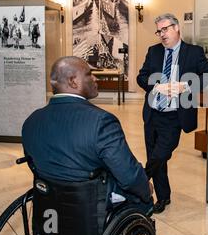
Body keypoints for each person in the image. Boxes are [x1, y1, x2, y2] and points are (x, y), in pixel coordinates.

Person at [22, 56, 153, 215]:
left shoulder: (31, 121)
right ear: (73, 82)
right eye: (89, 74)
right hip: (89, 204)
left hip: (49, 199)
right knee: (143, 199)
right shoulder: (101, 122)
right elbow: (128, 175)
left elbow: (33, 164)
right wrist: (146, 188)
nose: (95, 78)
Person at [137, 13, 208, 213]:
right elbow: (141, 77)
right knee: (157, 159)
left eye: (165, 29)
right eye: (158, 31)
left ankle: (137, 181)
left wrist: (185, 86)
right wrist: (157, 86)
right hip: (153, 114)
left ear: (177, 28)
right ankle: (163, 197)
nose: (161, 34)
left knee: (159, 154)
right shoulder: (153, 51)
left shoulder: (193, 52)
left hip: (174, 116)